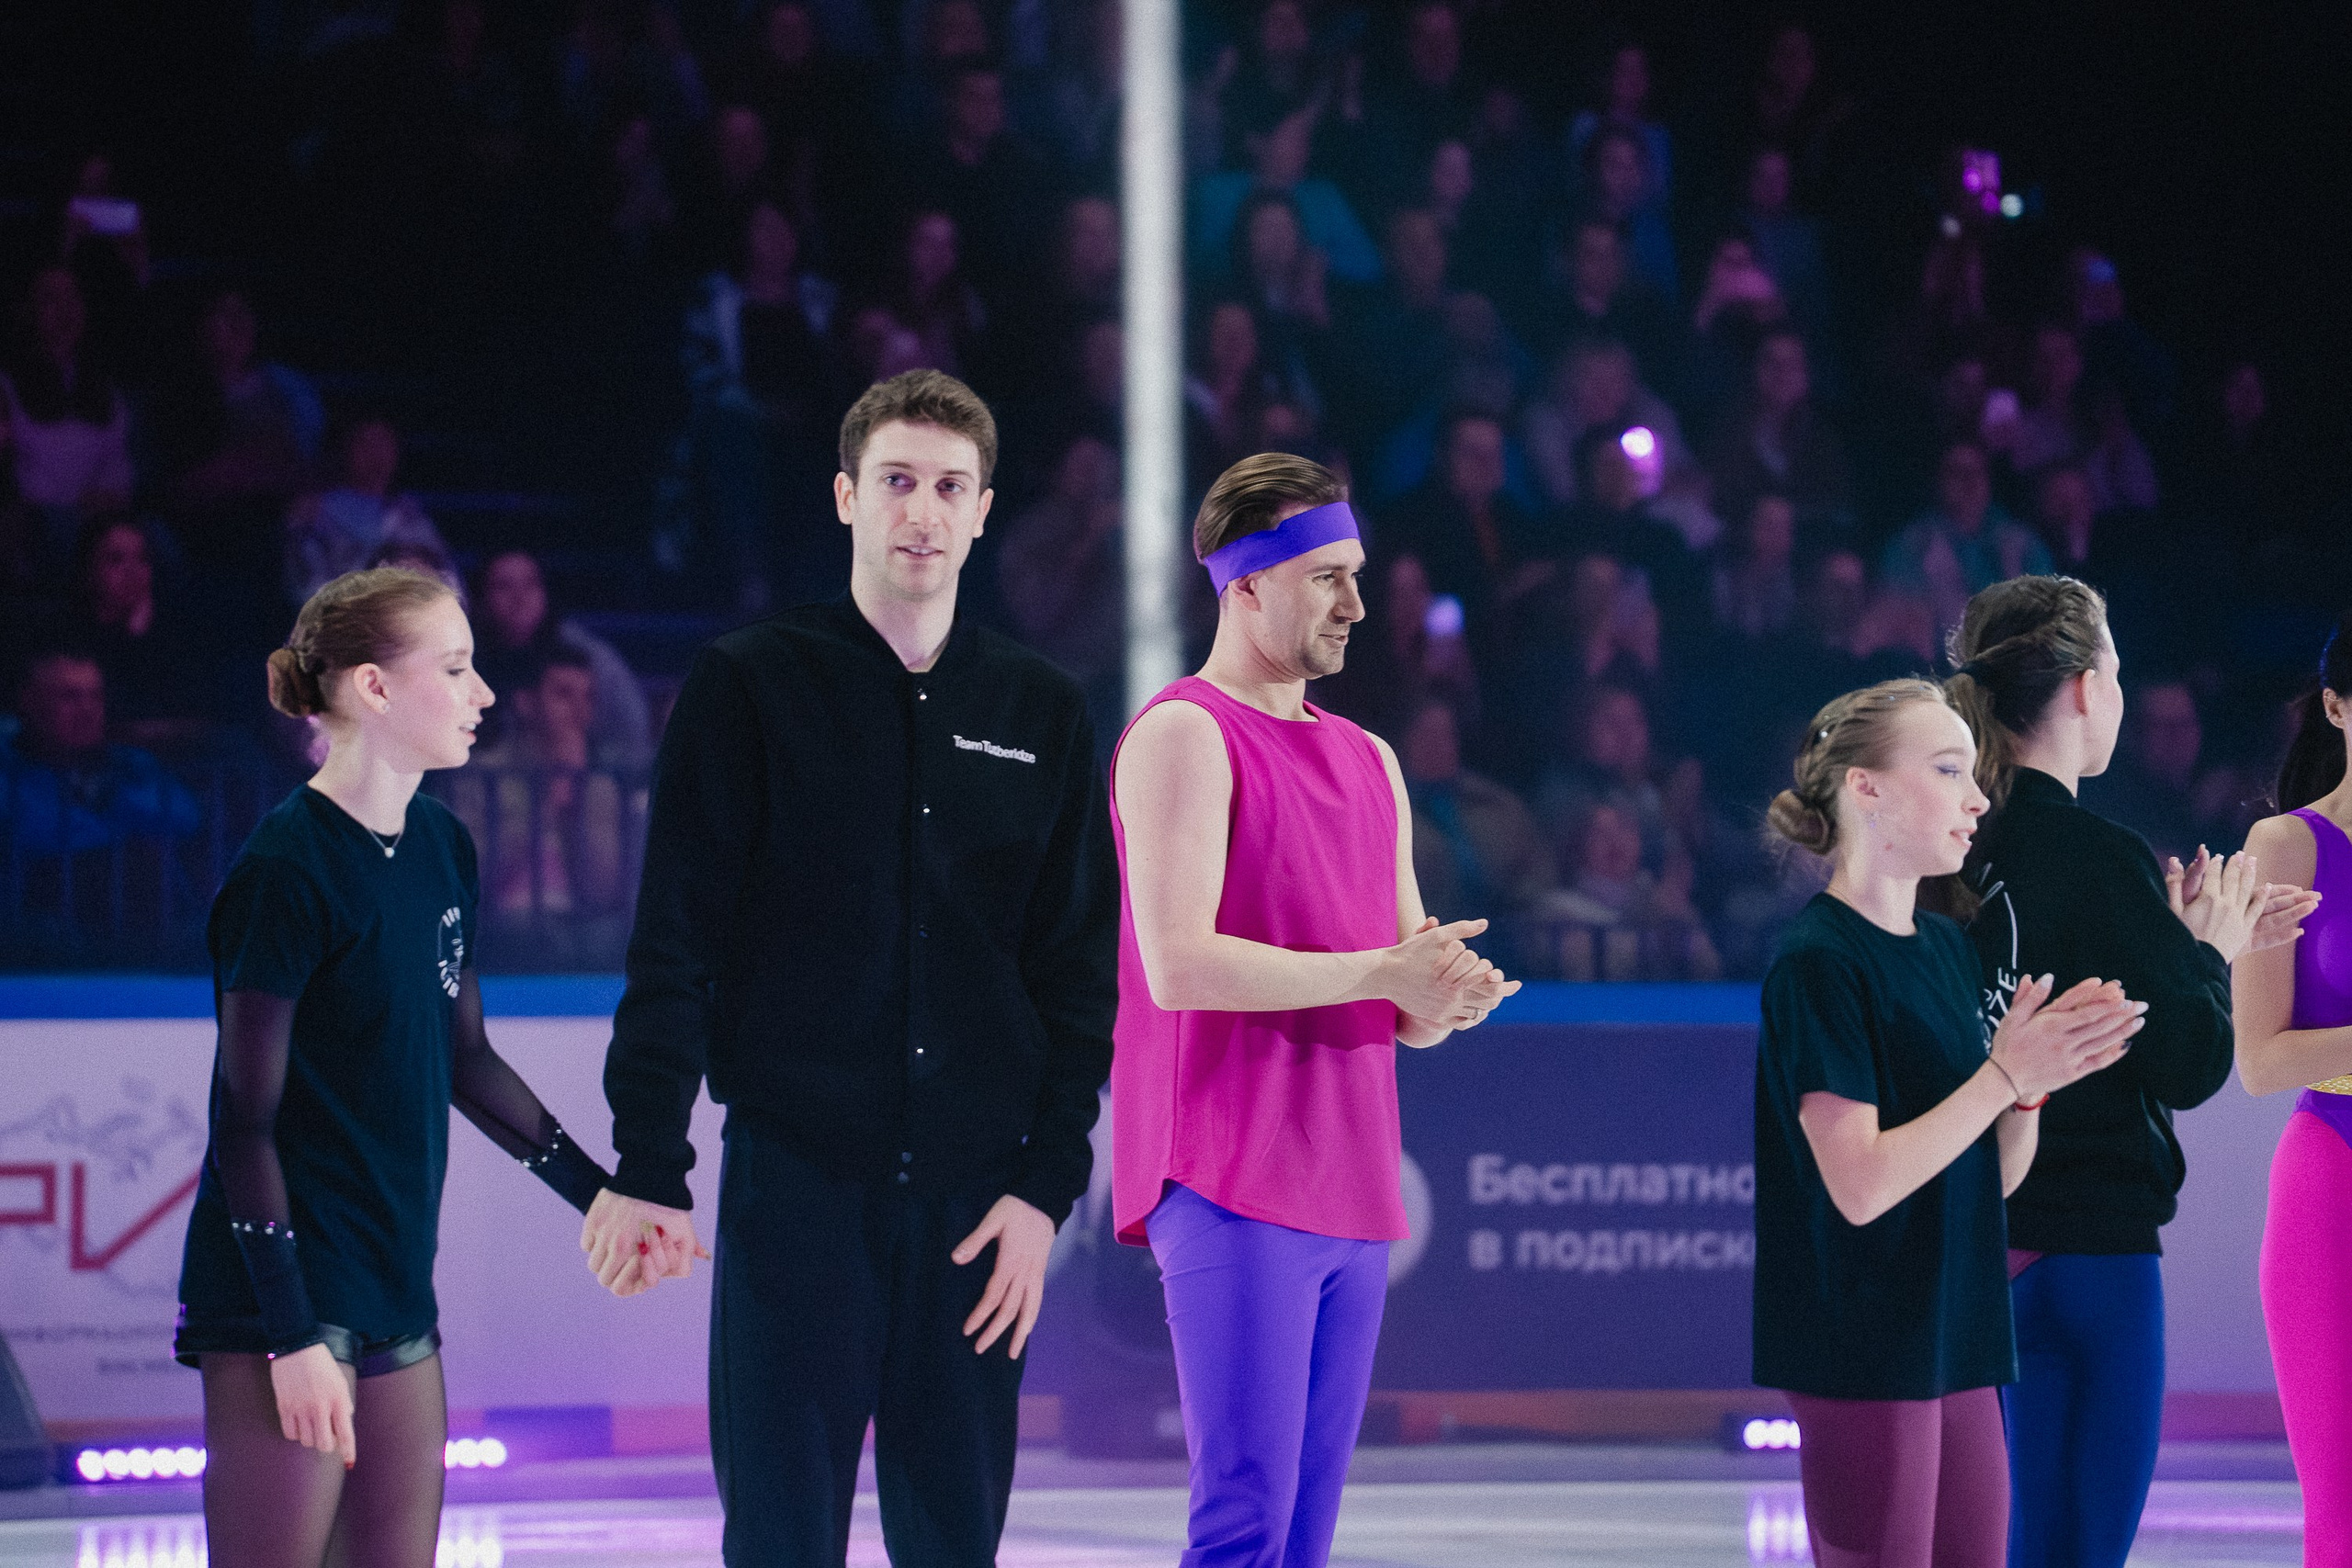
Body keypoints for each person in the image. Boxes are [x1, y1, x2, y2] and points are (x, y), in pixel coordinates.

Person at [588, 369, 1117, 1566]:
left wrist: (1044, 1191)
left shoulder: (1043, 709)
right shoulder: (748, 684)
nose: (921, 512)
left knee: (955, 1542)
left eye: (947, 486)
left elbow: (1077, 976)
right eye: (896, 482)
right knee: (780, 1538)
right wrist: (649, 1158)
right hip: (798, 1188)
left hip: (982, 1211)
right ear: (845, 497)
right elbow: (675, 940)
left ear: (984, 511)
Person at [1112, 449, 1518, 1568]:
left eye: (1356, 573)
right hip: (1231, 1169)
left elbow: (1404, 989)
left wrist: (1445, 996)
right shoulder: (1183, 733)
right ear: (1244, 585)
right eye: (1327, 575)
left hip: (1347, 1176)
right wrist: (1384, 974)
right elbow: (1177, 966)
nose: (1355, 602)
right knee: (1242, 1518)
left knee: (1302, 1534)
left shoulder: (1371, 758)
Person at [172, 567, 611, 1566]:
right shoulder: (286, 868)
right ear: (373, 688)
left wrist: (599, 1196)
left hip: (394, 1287)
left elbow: (465, 1061)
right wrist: (290, 1334)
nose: (484, 693)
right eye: (455, 668)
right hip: (284, 1291)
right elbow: (244, 1120)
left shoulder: (443, 846)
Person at [1941, 576, 2303, 1568]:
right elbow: (2190, 1062)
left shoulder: (1942, 847)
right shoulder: (2101, 857)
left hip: (1967, 1251)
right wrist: (2206, 953)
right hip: (2094, 1259)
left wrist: (2175, 943)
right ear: (2088, 687)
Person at [1755, 677, 2145, 1567]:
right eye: (1945, 768)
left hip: (1960, 1325)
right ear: (1866, 788)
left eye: (1972, 771)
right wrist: (2002, 1073)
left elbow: (1989, 1179)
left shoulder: (1941, 948)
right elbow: (1858, 1186)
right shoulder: (1819, 963)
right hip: (1862, 1331)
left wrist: (2033, 1088)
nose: (1976, 798)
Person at [2235, 609, 2352, 1563]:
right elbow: (2260, 1059)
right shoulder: (2286, 848)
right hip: (2332, 1179)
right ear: (2336, 706)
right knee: (2341, 1508)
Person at [1, 647, 200, 857]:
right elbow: (39, 835)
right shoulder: (7, 771)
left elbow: (185, 817)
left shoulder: (130, 762)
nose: (87, 710)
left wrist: (110, 797)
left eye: (95, 696)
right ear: (29, 702)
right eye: (69, 697)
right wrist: (121, 833)